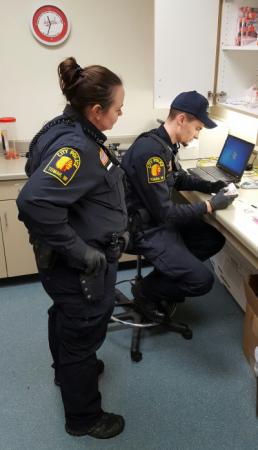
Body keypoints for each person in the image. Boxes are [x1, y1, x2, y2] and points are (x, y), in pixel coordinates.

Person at [17, 57, 127, 439]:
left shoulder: (63, 126)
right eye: (117, 108)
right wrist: (82, 252)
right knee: (81, 332)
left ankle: (66, 372)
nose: (120, 114)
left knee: (63, 316)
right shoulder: (76, 146)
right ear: (96, 111)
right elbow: (33, 202)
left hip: (63, 267)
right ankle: (84, 418)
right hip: (78, 267)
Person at [121, 90, 236, 322]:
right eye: (197, 129)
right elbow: (166, 213)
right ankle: (146, 291)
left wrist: (211, 185)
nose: (196, 136)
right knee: (202, 281)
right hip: (142, 229)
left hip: (155, 220)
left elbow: (178, 178)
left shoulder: (164, 144)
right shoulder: (151, 153)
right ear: (182, 119)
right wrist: (210, 206)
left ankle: (165, 278)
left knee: (212, 239)